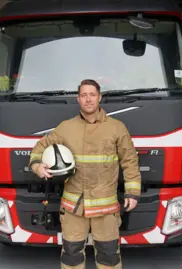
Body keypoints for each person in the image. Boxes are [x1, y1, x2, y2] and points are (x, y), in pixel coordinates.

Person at [28, 79, 142, 269]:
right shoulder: (66, 127)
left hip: (106, 209)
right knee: (71, 256)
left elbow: (129, 160)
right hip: (74, 208)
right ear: (78, 99)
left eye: (92, 95)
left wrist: (132, 192)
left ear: (99, 97)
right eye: (83, 95)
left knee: (109, 257)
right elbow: (40, 147)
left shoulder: (116, 127)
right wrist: (38, 166)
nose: (88, 99)